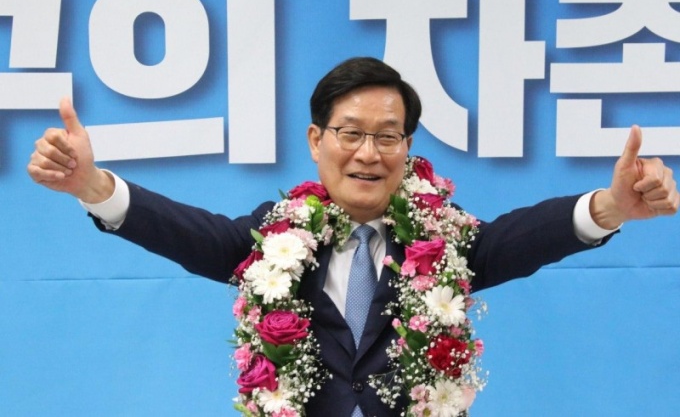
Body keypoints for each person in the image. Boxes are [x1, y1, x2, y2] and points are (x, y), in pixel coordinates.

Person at [27, 57, 678, 416]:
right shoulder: (274, 238)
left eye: (387, 136)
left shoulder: (440, 241)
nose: (369, 153)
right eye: (351, 133)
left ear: (408, 147)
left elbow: (521, 237)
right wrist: (93, 184)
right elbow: (187, 232)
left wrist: (610, 205)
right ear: (317, 140)